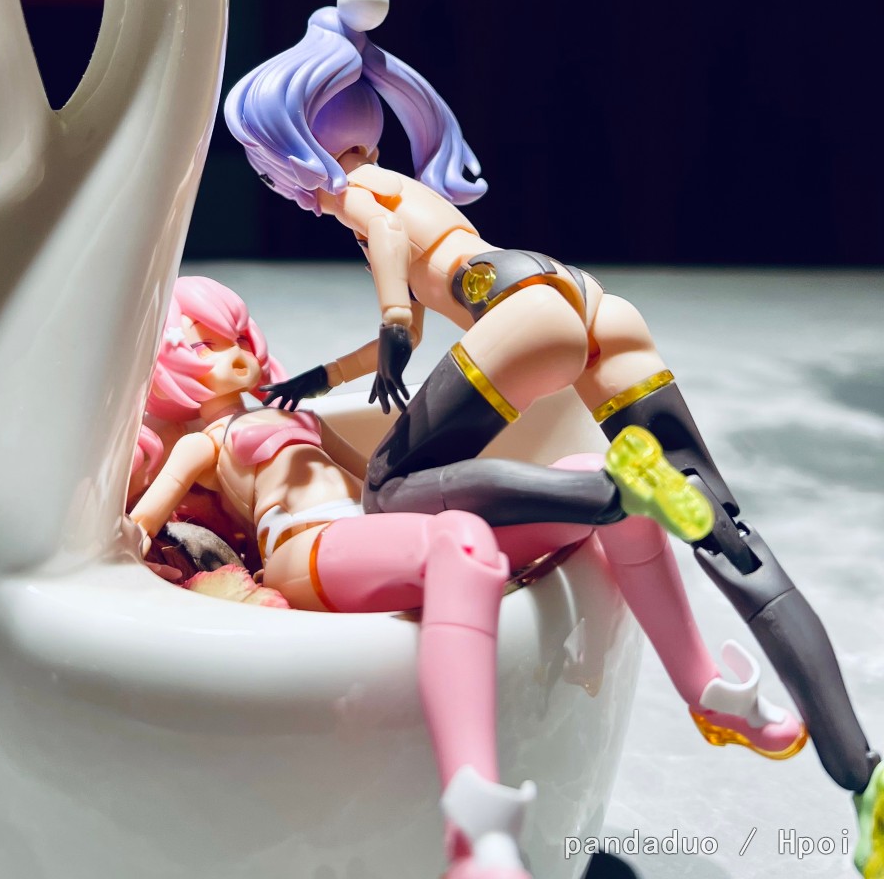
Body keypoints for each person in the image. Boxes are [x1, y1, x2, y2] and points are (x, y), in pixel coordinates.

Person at [224, 0, 883, 875]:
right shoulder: (406, 186)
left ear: (290, 143)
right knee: (731, 536)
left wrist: (391, 330)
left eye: (263, 162)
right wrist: (324, 377)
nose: (274, 181)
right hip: (582, 296)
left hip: (524, 316)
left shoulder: (361, 191)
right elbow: (419, 299)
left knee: (387, 492)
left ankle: (614, 493)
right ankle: (859, 775)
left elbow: (393, 265)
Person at [130, 276, 805, 879]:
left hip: (365, 529)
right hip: (306, 551)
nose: (233, 356)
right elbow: (145, 517)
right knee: (462, 541)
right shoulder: (204, 445)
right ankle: (476, 832)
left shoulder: (296, 415)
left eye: (234, 337)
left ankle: (708, 693)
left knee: (593, 483)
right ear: (168, 367)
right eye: (203, 345)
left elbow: (376, 480)